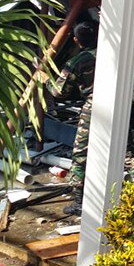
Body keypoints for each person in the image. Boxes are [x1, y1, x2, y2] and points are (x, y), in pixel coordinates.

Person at [50, 21, 98, 216]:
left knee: (80, 156)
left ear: (77, 41)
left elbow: (58, 91)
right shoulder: (115, 51)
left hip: (94, 108)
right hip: (123, 104)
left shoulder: (78, 61)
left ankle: (79, 202)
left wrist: (46, 80)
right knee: (128, 154)